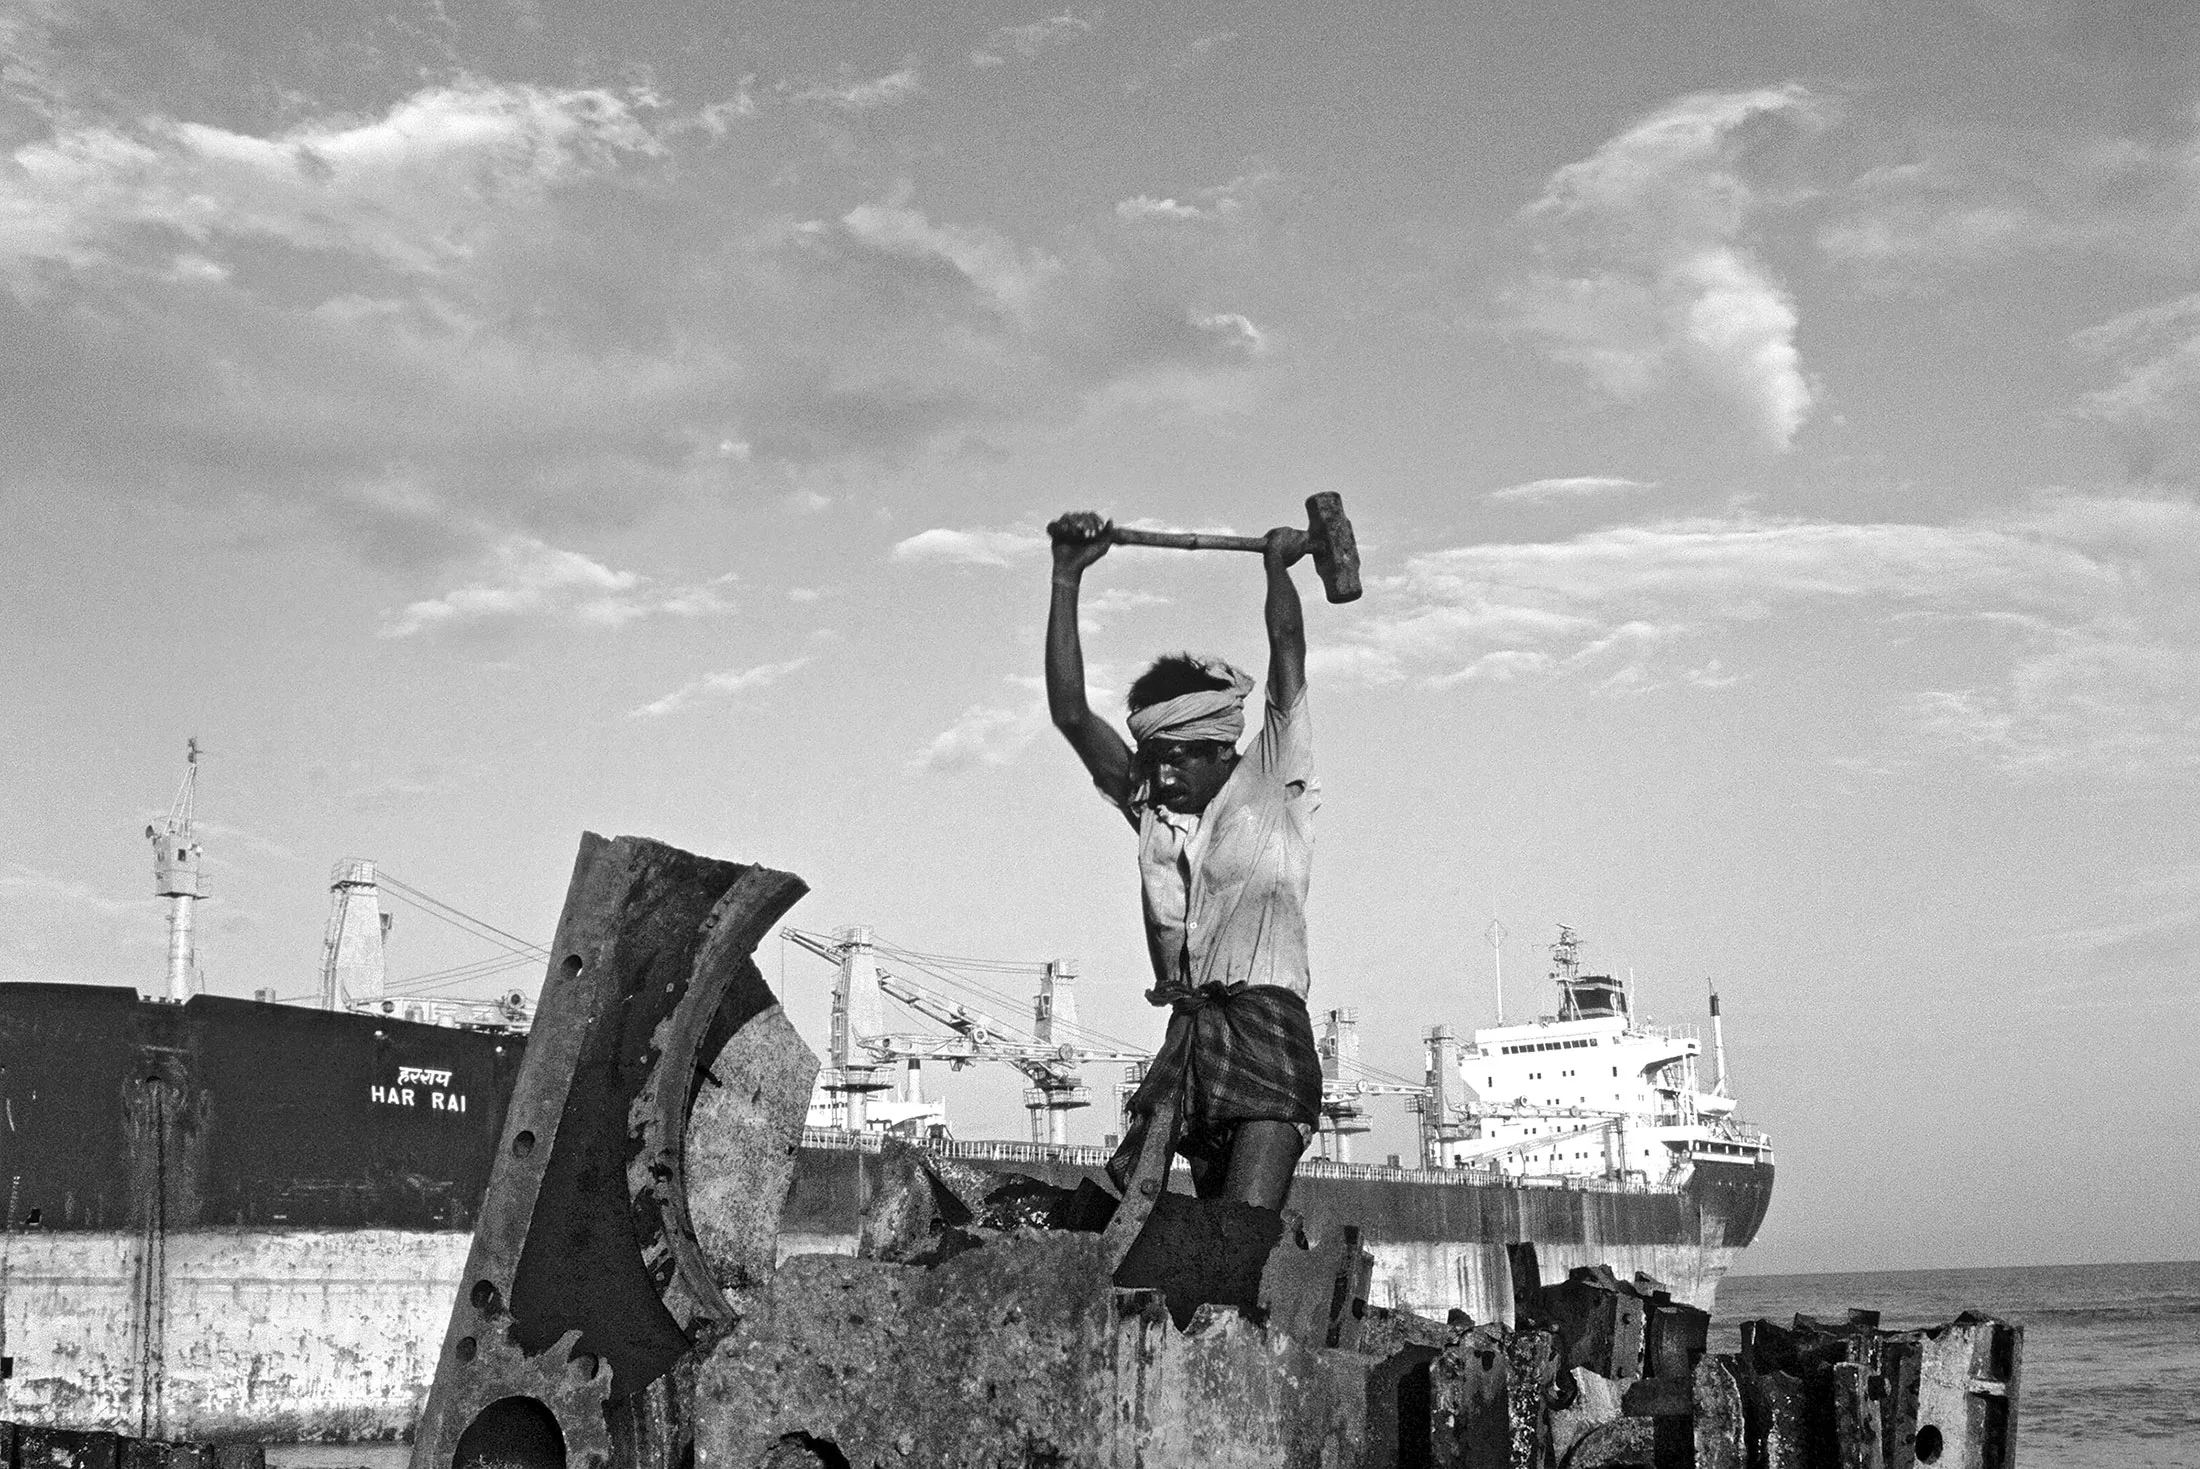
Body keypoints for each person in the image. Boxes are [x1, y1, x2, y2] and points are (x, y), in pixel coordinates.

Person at [1044, 509, 1325, 1211]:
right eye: (1154, 760)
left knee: (1241, 1225)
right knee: (1185, 1223)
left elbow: (1287, 649)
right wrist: (1066, 576)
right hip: (1191, 1035)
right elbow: (1072, 712)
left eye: (1176, 760)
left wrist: (1277, 567)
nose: (1163, 776)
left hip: (1267, 1028)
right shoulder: (1154, 813)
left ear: (1218, 748)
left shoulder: (1273, 780)